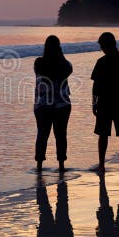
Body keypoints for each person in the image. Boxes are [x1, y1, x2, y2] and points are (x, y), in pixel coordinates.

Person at [90, 32, 119, 172]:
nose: (102, 49)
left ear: (106, 45)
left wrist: (94, 103)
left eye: (102, 46)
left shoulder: (102, 62)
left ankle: (102, 165)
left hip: (105, 102)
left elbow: (95, 86)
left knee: (103, 134)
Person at [34, 35, 72, 172]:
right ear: (59, 48)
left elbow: (44, 72)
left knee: (42, 135)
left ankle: (39, 165)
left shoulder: (38, 63)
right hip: (62, 105)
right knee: (61, 134)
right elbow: (67, 69)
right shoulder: (65, 65)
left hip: (42, 105)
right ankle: (61, 165)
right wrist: (60, 54)